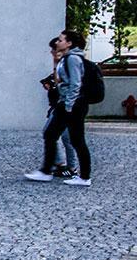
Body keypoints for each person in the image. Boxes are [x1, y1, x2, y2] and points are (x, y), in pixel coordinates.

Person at [25, 29, 92, 186]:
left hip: (72, 104)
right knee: (52, 135)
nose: (57, 42)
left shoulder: (73, 59)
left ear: (69, 43)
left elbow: (75, 84)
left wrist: (68, 106)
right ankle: (47, 171)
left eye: (60, 40)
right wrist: (56, 63)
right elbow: (60, 81)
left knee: (75, 140)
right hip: (68, 103)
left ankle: (82, 176)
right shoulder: (67, 58)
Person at [40, 38, 78, 177]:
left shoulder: (70, 62)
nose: (51, 52)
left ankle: (70, 167)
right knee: (52, 134)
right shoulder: (62, 64)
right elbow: (56, 81)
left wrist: (69, 106)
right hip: (58, 107)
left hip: (66, 106)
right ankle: (62, 164)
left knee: (66, 137)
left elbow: (70, 84)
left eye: (53, 49)